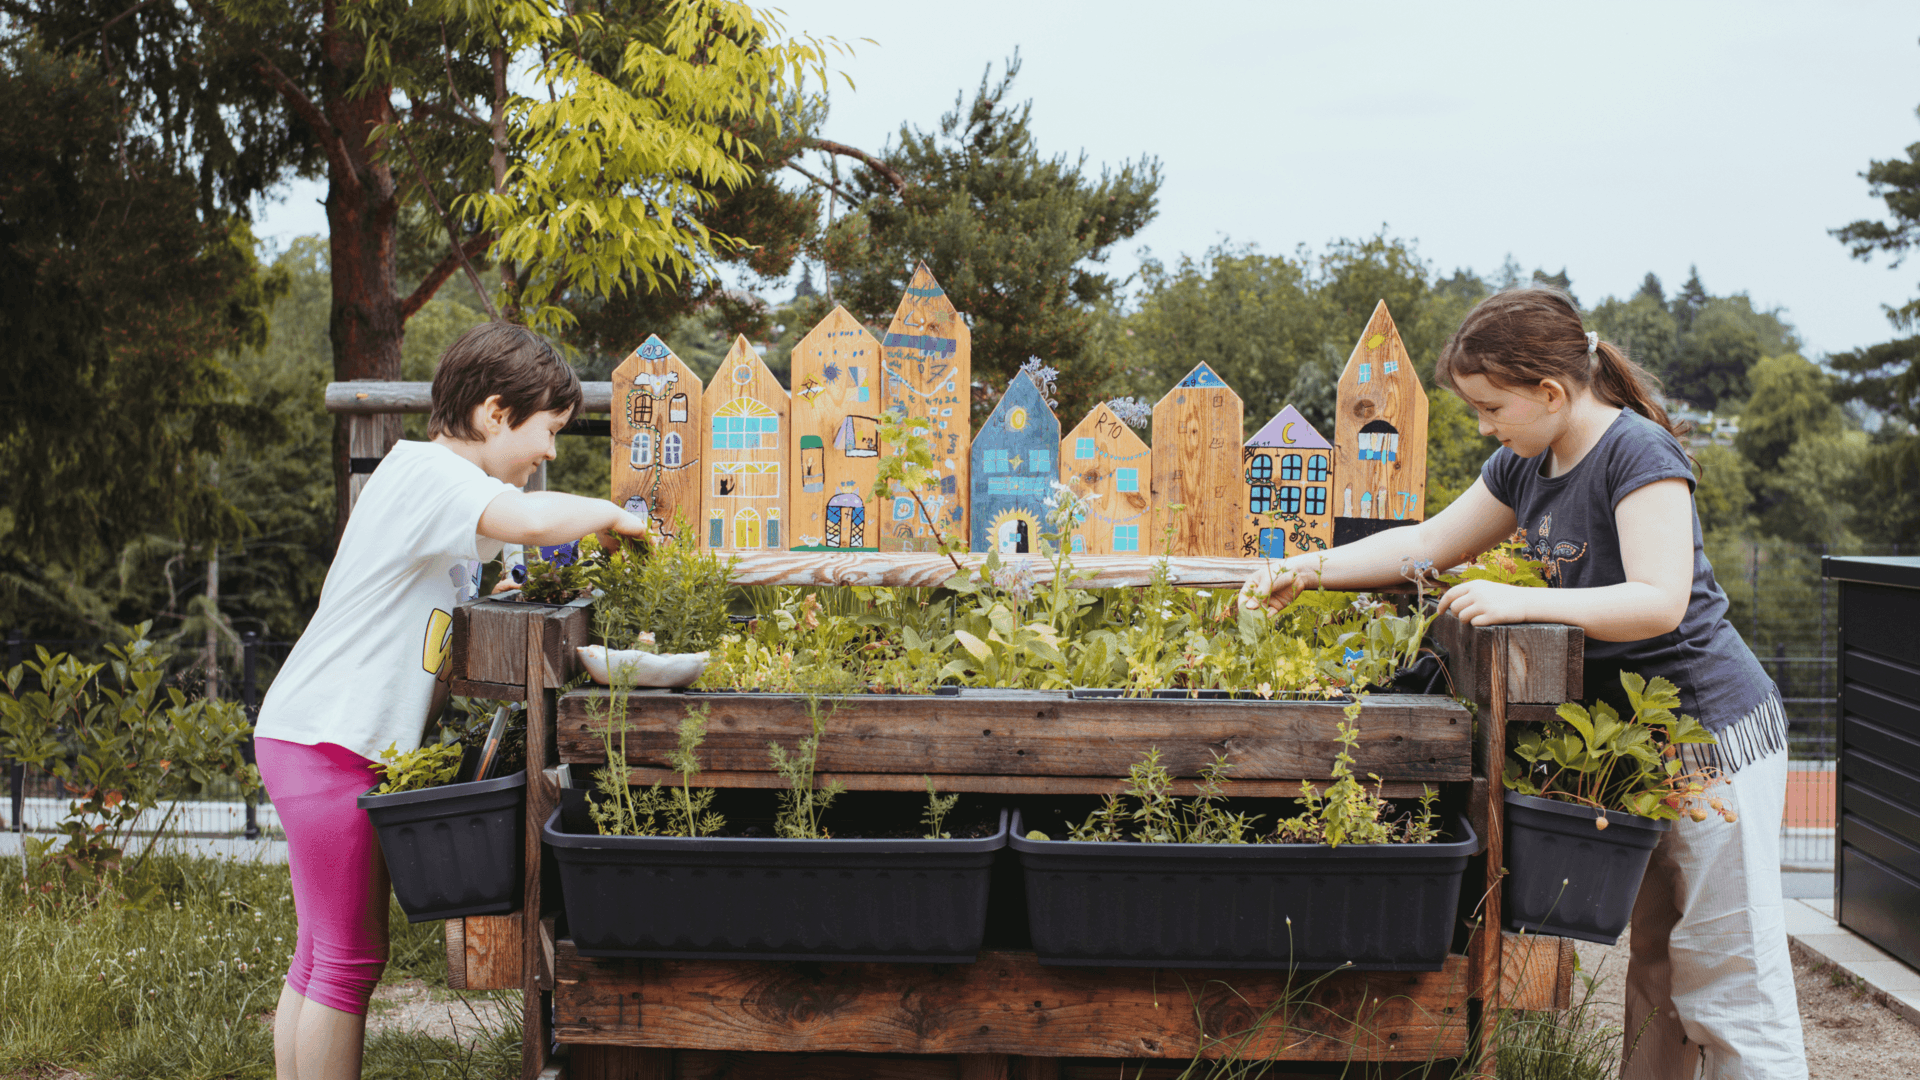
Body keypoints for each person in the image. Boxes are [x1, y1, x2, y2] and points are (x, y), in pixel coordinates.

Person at [1242, 288, 1806, 1080]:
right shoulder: (1525, 461)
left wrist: (1521, 599)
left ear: (1550, 392)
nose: (1482, 426)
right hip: (1646, 747)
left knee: (1729, 974)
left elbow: (1659, 600)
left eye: (1490, 407)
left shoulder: (1638, 453)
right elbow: (1430, 542)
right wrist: (1308, 568)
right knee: (1654, 964)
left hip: (1714, 734)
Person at [252, 322, 648, 1080]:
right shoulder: (431, 475)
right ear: (495, 413)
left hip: (316, 735)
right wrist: (612, 513)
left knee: (321, 954)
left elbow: (449, 591)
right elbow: (532, 520)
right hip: (331, 742)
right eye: (548, 431)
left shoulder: (427, 482)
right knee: (348, 960)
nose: (551, 452)